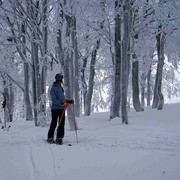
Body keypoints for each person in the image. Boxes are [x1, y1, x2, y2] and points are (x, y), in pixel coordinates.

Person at [47, 73, 74, 144]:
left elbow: (62, 99)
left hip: (61, 109)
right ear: (59, 79)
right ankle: (50, 137)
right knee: (54, 123)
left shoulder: (60, 88)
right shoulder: (53, 88)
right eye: (61, 79)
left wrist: (68, 101)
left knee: (61, 124)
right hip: (55, 109)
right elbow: (54, 100)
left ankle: (59, 138)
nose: (62, 80)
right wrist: (62, 103)